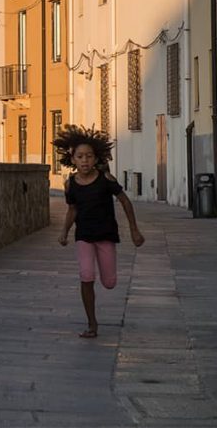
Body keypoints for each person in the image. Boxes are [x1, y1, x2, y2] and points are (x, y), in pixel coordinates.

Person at [55, 125, 144, 339]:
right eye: (80, 156)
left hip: (105, 235)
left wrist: (134, 230)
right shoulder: (71, 185)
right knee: (86, 276)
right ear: (72, 159)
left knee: (109, 282)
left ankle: (98, 307)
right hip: (83, 236)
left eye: (89, 156)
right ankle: (92, 324)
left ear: (96, 158)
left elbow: (124, 200)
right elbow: (72, 209)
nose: (85, 160)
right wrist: (64, 232)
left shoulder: (106, 181)